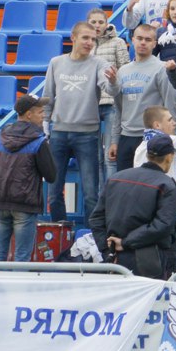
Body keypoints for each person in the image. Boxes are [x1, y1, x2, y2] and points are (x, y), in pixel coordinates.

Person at [89, 132, 176, 279]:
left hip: (116, 260)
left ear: (148, 155)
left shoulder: (115, 178)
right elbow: (163, 225)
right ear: (169, 157)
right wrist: (124, 243)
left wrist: (108, 251)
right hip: (151, 263)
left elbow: (96, 219)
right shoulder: (166, 185)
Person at [44, 22, 110, 221]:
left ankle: (92, 235)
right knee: (54, 192)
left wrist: (113, 82)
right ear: (73, 38)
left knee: (90, 193)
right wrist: (45, 124)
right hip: (58, 133)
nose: (90, 42)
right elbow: (48, 96)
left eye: (93, 39)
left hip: (88, 135)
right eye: (85, 38)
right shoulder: (56, 62)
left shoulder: (99, 63)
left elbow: (109, 88)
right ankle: (60, 232)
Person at [0, 95, 56, 262]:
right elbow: (51, 176)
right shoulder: (39, 142)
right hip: (24, 205)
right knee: (22, 258)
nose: (44, 116)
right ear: (29, 115)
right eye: (40, 112)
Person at [106, 24, 176, 171]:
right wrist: (115, 140)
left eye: (148, 39)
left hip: (151, 137)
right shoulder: (123, 71)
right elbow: (119, 109)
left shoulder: (162, 68)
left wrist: (171, 138)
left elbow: (171, 105)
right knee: (125, 183)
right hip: (126, 137)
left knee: (150, 182)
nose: (143, 42)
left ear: (154, 43)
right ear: (132, 40)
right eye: (139, 38)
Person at [88, 8, 129, 186]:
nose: (97, 25)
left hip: (112, 103)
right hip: (90, 106)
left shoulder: (118, 42)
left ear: (106, 24)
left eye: (100, 22)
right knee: (95, 157)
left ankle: (111, 196)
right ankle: (99, 198)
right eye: (93, 22)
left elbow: (125, 68)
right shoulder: (86, 45)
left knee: (110, 157)